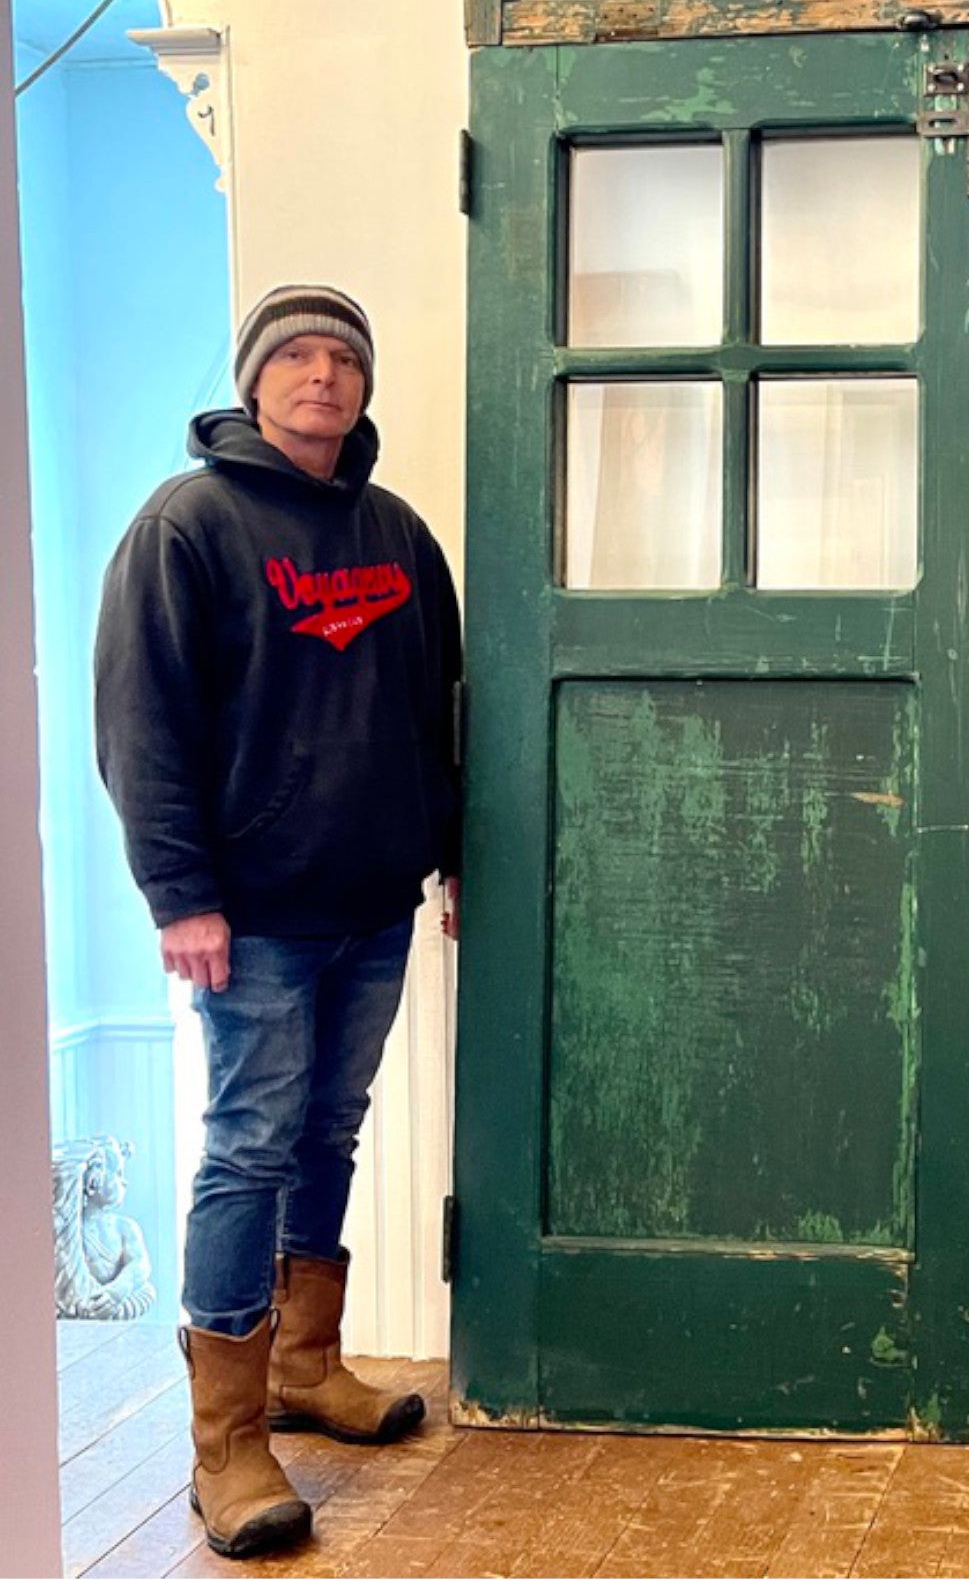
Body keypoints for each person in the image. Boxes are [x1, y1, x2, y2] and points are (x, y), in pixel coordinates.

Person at [94, 285, 461, 1560]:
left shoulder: (397, 533)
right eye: (296, 359)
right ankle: (228, 1441)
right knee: (248, 1144)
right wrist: (179, 891)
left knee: (327, 1130)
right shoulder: (186, 525)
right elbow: (142, 726)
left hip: (373, 903)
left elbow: (442, 714)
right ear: (254, 383)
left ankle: (310, 1363)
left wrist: (451, 854)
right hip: (249, 915)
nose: (322, 378)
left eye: (343, 360)